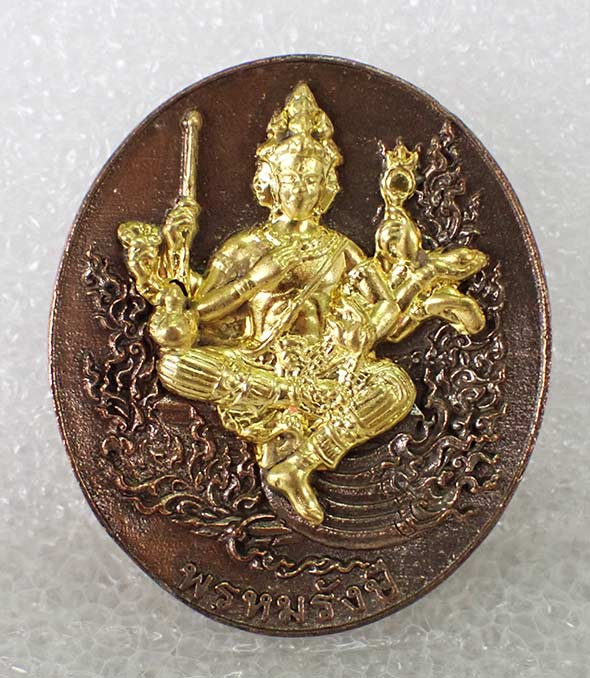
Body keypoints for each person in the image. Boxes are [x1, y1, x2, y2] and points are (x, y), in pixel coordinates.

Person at [117, 83, 486, 526]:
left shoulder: (341, 249)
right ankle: (288, 399)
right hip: (259, 368)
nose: (301, 190)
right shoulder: (244, 248)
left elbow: (386, 306)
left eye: (311, 180)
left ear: (327, 185)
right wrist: (254, 281)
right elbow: (200, 319)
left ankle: (303, 462)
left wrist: (364, 332)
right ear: (270, 181)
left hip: (326, 366)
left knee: (396, 388)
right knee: (173, 367)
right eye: (292, 178)